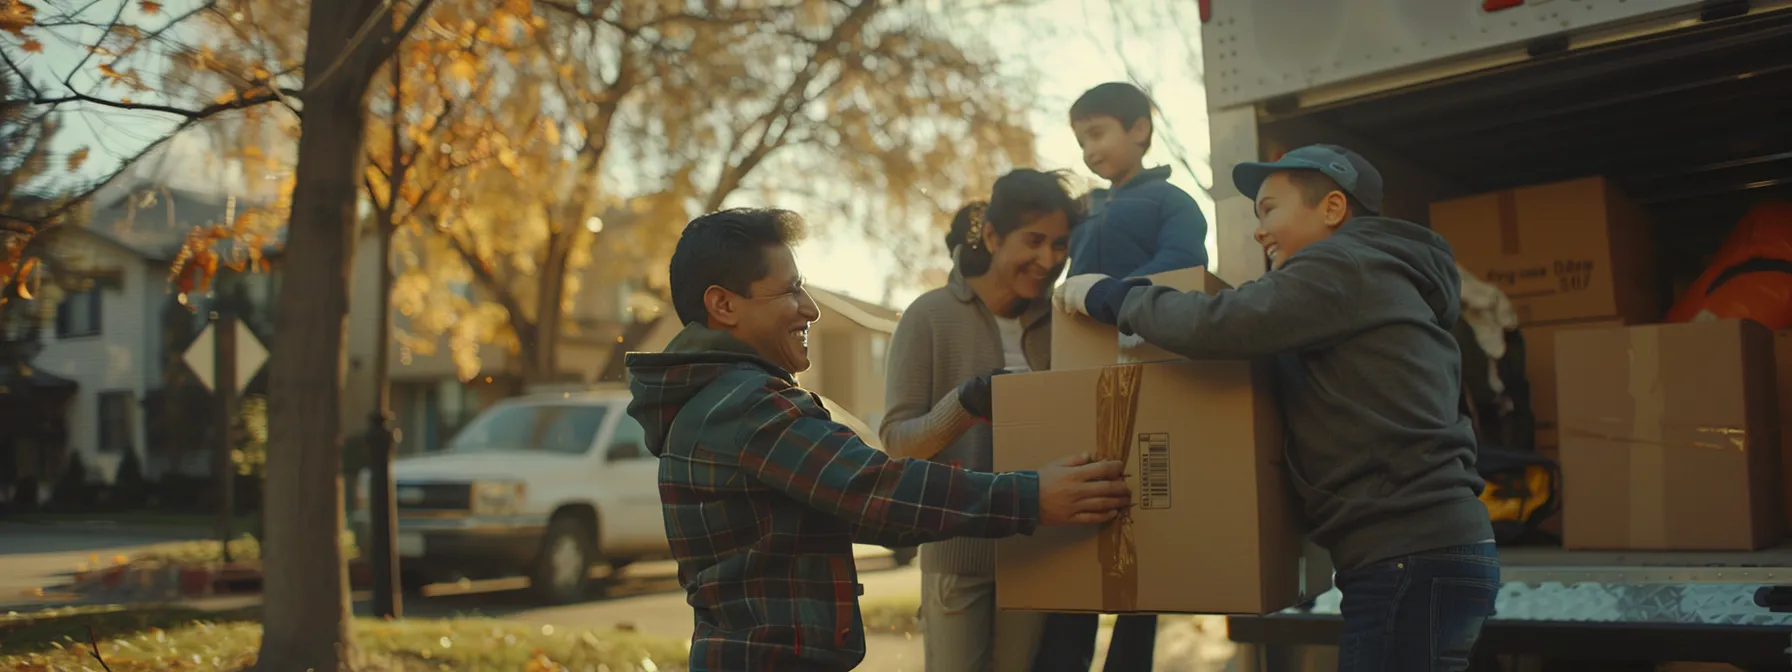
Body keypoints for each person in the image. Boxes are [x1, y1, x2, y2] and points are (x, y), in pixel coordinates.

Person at [625, 207, 1132, 672]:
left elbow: (860, 504)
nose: (810, 310)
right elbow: (876, 491)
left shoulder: (726, 397)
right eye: (789, 292)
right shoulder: (743, 405)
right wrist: (1033, 496)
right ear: (723, 304)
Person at [1055, 144, 1501, 672]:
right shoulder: (1380, 277)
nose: (1259, 230)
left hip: (1407, 555)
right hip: (1435, 549)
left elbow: (1224, 324)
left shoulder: (1343, 265)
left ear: (1333, 209)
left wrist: (1113, 297)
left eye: (1270, 209)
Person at [880, 169, 1106, 671]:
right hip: (958, 552)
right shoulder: (929, 316)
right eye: (1034, 241)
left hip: (1038, 550)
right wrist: (964, 402)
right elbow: (897, 444)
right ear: (991, 236)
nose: (1048, 260)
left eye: (1060, 245)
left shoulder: (1062, 323)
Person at [1066, 81, 1208, 278]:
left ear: (1138, 130)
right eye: (1082, 144)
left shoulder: (1170, 200)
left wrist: (1114, 293)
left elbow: (1184, 261)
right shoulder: (1084, 208)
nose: (1088, 152)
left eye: (1096, 135)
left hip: (1143, 307)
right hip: (1079, 309)